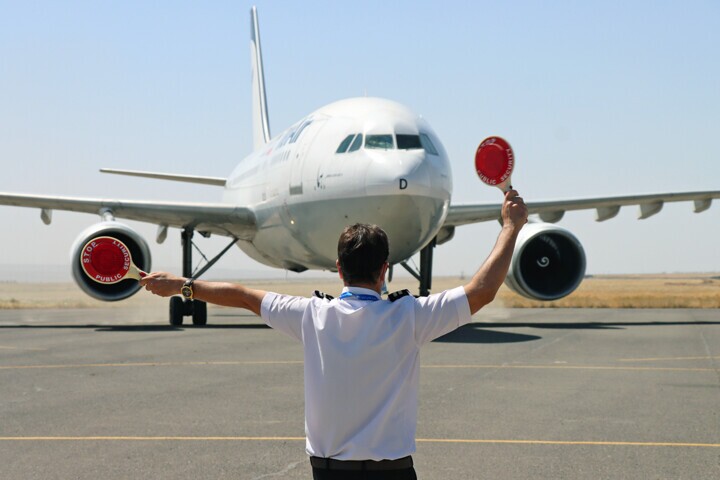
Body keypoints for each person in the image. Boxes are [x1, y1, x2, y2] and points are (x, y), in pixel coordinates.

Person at [140, 190, 528, 479]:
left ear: (339, 270)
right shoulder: (410, 317)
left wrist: (181, 285)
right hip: (392, 472)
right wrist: (511, 227)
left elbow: (242, 296)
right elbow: (482, 291)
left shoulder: (311, 315)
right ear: (385, 271)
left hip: (328, 473)